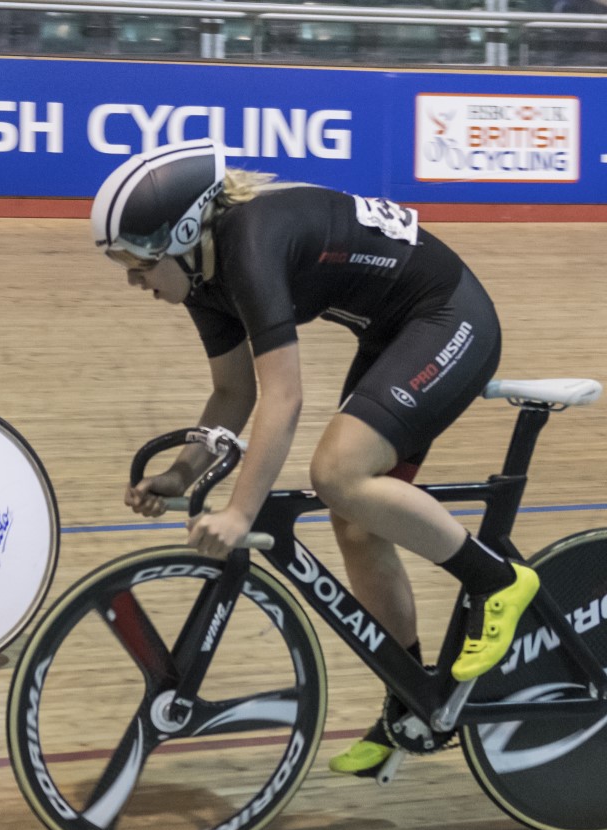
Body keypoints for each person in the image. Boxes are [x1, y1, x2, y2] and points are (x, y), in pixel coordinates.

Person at [92, 139, 539, 778]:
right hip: (396, 330)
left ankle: (497, 580)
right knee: (358, 521)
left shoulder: (249, 244)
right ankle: (413, 702)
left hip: (449, 317)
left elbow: (283, 396)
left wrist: (241, 511)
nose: (135, 281)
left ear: (184, 232)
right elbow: (233, 391)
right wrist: (181, 473)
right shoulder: (202, 276)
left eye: (139, 264)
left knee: (336, 472)